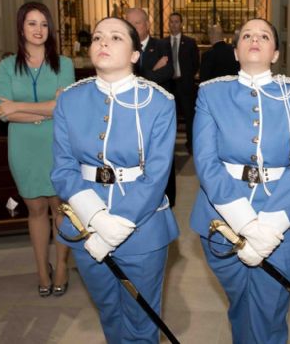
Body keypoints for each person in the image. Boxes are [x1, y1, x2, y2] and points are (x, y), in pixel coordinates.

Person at [190, 18, 290, 343]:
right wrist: (244, 223)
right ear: (236, 51)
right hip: (222, 217)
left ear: (275, 53)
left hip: (284, 217)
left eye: (264, 35)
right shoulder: (211, 94)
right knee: (240, 307)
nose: (254, 39)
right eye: (246, 35)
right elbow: (205, 162)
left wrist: (270, 227)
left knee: (270, 312)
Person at [51, 17, 179, 343]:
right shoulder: (69, 99)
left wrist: (116, 225)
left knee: (141, 320)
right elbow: (63, 168)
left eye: (115, 37)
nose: (103, 42)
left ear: (136, 54)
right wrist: (94, 216)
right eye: (97, 37)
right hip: (85, 225)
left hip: (142, 227)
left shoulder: (159, 102)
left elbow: (157, 175)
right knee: (109, 313)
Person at [0, 2, 75, 297]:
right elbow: (2, 113)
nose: (38, 29)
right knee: (36, 209)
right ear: (21, 27)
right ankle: (42, 270)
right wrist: (45, 111)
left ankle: (62, 266)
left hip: (57, 146)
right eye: (32, 23)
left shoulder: (63, 64)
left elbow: (63, 107)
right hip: (23, 147)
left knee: (60, 209)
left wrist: (18, 106)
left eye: (43, 23)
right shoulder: (6, 65)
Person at [127, 7, 177, 207]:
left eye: (136, 23)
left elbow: (168, 72)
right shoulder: (124, 47)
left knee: (162, 156)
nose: (132, 27)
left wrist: (140, 77)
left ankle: (167, 199)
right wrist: (152, 71)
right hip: (130, 110)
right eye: (128, 23)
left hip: (157, 111)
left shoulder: (162, 45)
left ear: (147, 25)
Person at [165, 12, 199, 153]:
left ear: (181, 24)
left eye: (177, 21)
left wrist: (187, 78)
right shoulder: (162, 43)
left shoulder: (190, 42)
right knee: (168, 118)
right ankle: (167, 146)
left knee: (189, 116)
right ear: (169, 24)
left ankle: (191, 144)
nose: (174, 24)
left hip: (185, 85)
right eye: (171, 22)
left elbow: (196, 63)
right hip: (168, 86)